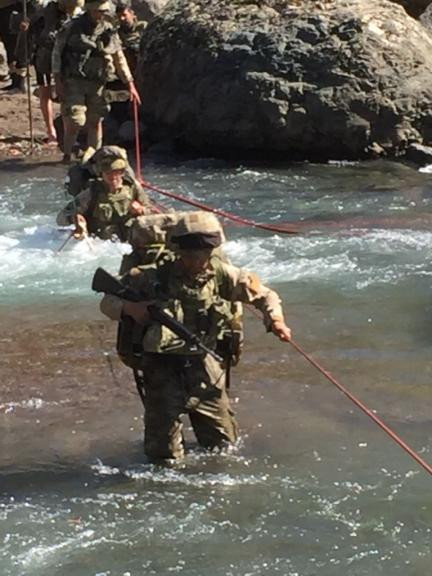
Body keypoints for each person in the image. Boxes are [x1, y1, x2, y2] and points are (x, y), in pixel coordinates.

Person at [99, 212, 292, 461]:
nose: (198, 261)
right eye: (191, 255)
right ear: (178, 251)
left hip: (205, 364)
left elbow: (266, 296)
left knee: (224, 448)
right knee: (163, 457)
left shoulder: (222, 274)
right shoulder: (149, 276)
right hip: (161, 368)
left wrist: (275, 320)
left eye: (203, 254)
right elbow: (107, 301)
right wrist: (131, 309)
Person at [52, 0, 141, 162]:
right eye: (99, 11)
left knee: (96, 120)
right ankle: (67, 154)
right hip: (74, 80)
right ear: (90, 10)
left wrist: (130, 84)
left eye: (104, 11)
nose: (102, 14)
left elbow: (118, 58)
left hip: (98, 82)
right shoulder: (72, 27)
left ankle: (94, 156)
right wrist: (57, 80)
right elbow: (57, 53)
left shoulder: (108, 31)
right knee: (75, 120)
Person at [57, 154, 153, 241]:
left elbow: (151, 213)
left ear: (122, 172)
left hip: (128, 239)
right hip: (100, 241)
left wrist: (141, 210)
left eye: (116, 172)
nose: (112, 177)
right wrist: (75, 219)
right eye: (108, 173)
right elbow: (60, 218)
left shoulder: (133, 187)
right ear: (102, 174)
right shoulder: (92, 192)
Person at [31, 0, 83, 143]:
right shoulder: (45, 12)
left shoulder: (78, 14)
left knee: (67, 94)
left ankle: (67, 132)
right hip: (45, 56)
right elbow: (34, 33)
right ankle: (51, 131)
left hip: (66, 58)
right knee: (45, 93)